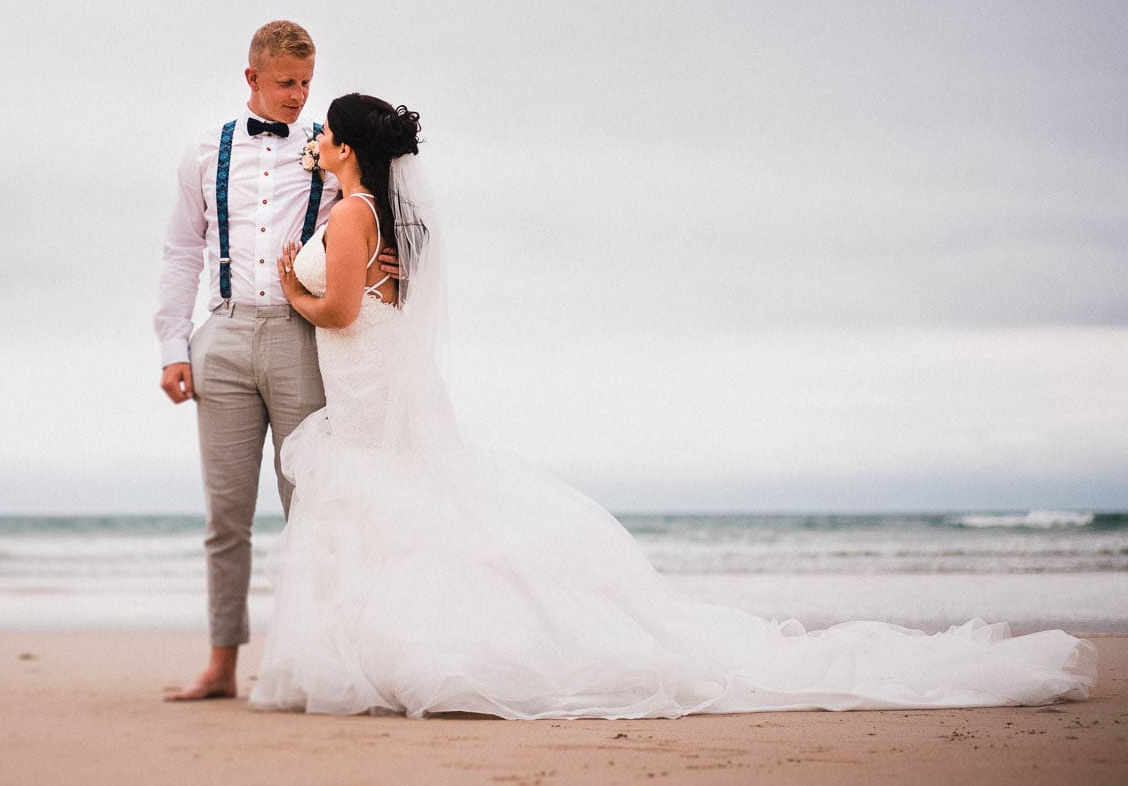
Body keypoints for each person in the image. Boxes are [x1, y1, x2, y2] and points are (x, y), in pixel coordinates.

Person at [250, 91, 1098, 719]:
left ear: (349, 145)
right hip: (378, 380)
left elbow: (346, 309)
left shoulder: (355, 212)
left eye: (324, 130)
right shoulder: (372, 211)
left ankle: (398, 651)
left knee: (393, 508)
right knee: (409, 508)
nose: (316, 140)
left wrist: (295, 284)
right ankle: (384, 647)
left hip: (366, 379)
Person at [156, 22, 395, 701]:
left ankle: (319, 659)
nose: (298, 96)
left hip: (300, 336)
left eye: (306, 83)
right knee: (225, 515)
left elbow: (373, 220)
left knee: (311, 506)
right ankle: (221, 665)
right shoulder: (205, 150)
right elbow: (181, 249)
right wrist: (175, 345)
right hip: (224, 336)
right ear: (252, 77)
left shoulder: (328, 148)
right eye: (287, 82)